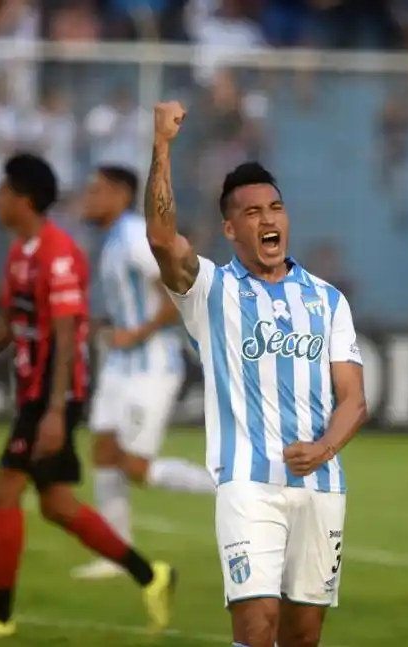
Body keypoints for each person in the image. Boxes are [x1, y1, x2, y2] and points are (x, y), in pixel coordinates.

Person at [0, 153, 175, 639]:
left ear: (24, 200)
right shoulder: (22, 253)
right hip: (38, 393)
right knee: (55, 504)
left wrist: (55, 411)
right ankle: (151, 574)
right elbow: (11, 324)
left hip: (53, 393)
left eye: (4, 192)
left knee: (4, 489)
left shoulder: (57, 254)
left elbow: (69, 330)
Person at [144, 101, 368, 647]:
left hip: (321, 486)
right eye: (252, 212)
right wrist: (163, 146)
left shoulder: (328, 299)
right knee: (255, 622)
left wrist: (325, 449)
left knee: (303, 634)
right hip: (247, 486)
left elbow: (354, 400)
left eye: (276, 207)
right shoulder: (212, 292)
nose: (268, 219)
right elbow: (161, 240)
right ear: (229, 228)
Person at [72, 165, 214, 581]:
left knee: (136, 468)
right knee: (102, 450)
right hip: (121, 365)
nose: (88, 199)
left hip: (151, 365)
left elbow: (175, 290)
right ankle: (117, 554)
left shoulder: (135, 237)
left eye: (95, 191)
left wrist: (138, 331)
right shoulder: (114, 240)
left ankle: (234, 487)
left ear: (119, 195)